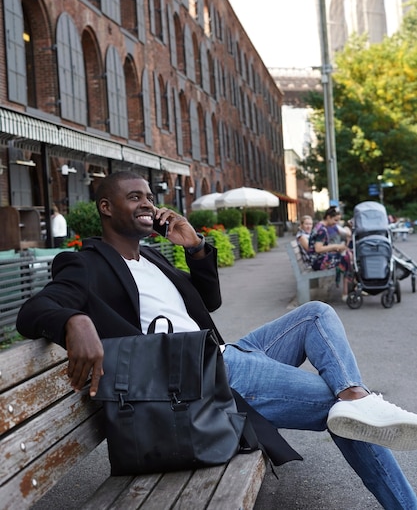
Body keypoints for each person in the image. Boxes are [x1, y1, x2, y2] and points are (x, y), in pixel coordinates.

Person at [17, 172, 417, 509]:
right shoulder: (85, 263)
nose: (147, 204)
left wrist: (194, 247)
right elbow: (34, 310)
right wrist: (75, 320)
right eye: (134, 197)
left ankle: (355, 396)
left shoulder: (153, 257)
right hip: (202, 380)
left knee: (317, 314)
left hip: (226, 355)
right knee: (346, 415)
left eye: (150, 198)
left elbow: (208, 303)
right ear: (106, 207)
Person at [309, 206, 352, 300]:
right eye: (335, 220)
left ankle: (346, 287)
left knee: (345, 255)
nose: (336, 223)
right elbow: (318, 249)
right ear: (328, 217)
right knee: (346, 257)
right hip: (318, 262)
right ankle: (346, 290)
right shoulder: (322, 230)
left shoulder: (320, 226)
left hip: (316, 259)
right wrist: (336, 247)